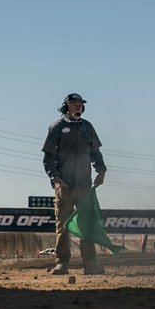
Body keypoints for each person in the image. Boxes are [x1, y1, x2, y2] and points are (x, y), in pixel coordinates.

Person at [42, 92, 106, 275]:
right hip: (65, 186)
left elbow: (95, 153)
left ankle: (90, 264)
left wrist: (101, 170)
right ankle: (62, 264)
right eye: (74, 103)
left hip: (85, 185)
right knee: (63, 226)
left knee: (87, 226)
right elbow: (48, 159)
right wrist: (55, 178)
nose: (78, 106)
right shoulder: (56, 128)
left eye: (80, 103)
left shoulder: (87, 127)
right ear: (66, 107)